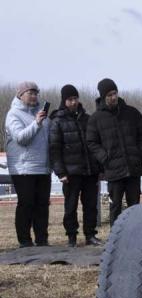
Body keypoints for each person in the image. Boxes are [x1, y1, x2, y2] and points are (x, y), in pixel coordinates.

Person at [86, 78, 142, 226]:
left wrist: (140, 153)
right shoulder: (96, 118)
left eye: (115, 93)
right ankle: (116, 235)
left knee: (134, 206)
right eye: (109, 95)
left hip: (133, 167)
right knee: (115, 206)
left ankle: (134, 233)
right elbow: (91, 142)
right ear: (103, 97)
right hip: (113, 169)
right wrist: (105, 157)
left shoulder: (132, 113)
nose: (113, 97)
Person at [49, 84, 102, 247]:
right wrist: (60, 172)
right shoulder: (57, 121)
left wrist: (99, 168)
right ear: (64, 101)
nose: (73, 102)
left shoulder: (87, 119)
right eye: (70, 99)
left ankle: (90, 235)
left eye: (75, 98)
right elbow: (54, 149)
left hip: (90, 170)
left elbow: (95, 143)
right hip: (70, 172)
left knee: (91, 205)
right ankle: (71, 236)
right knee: (71, 206)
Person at [5, 81, 51, 247]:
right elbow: (21, 138)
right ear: (20, 95)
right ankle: (24, 241)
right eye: (30, 93)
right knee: (26, 204)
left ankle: (42, 240)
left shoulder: (43, 115)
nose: (34, 96)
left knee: (42, 205)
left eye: (35, 93)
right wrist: (36, 123)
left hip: (43, 167)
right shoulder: (13, 114)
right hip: (23, 168)